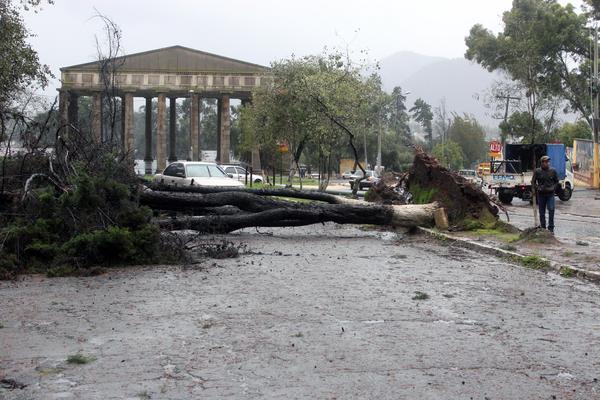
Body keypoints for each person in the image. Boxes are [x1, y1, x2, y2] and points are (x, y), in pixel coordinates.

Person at [531, 155, 559, 233]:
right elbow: (533, 182)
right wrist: (537, 188)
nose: (546, 163)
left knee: (551, 210)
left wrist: (553, 188)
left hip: (550, 194)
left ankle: (551, 228)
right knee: (542, 212)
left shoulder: (553, 171)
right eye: (545, 162)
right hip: (541, 194)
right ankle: (543, 228)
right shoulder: (537, 171)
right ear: (542, 163)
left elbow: (557, 181)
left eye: (547, 162)